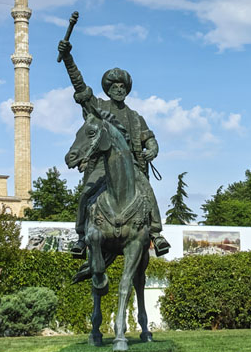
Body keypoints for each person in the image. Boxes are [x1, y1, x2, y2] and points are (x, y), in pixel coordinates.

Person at [58, 38, 171, 256]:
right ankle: (81, 237)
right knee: (86, 193)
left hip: (130, 167)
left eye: (122, 87)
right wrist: (68, 59)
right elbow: (80, 87)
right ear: (108, 90)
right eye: (114, 87)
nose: (118, 90)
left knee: (147, 190)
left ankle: (156, 234)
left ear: (126, 90)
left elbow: (149, 138)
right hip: (102, 165)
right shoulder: (99, 108)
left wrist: (153, 148)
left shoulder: (135, 117)